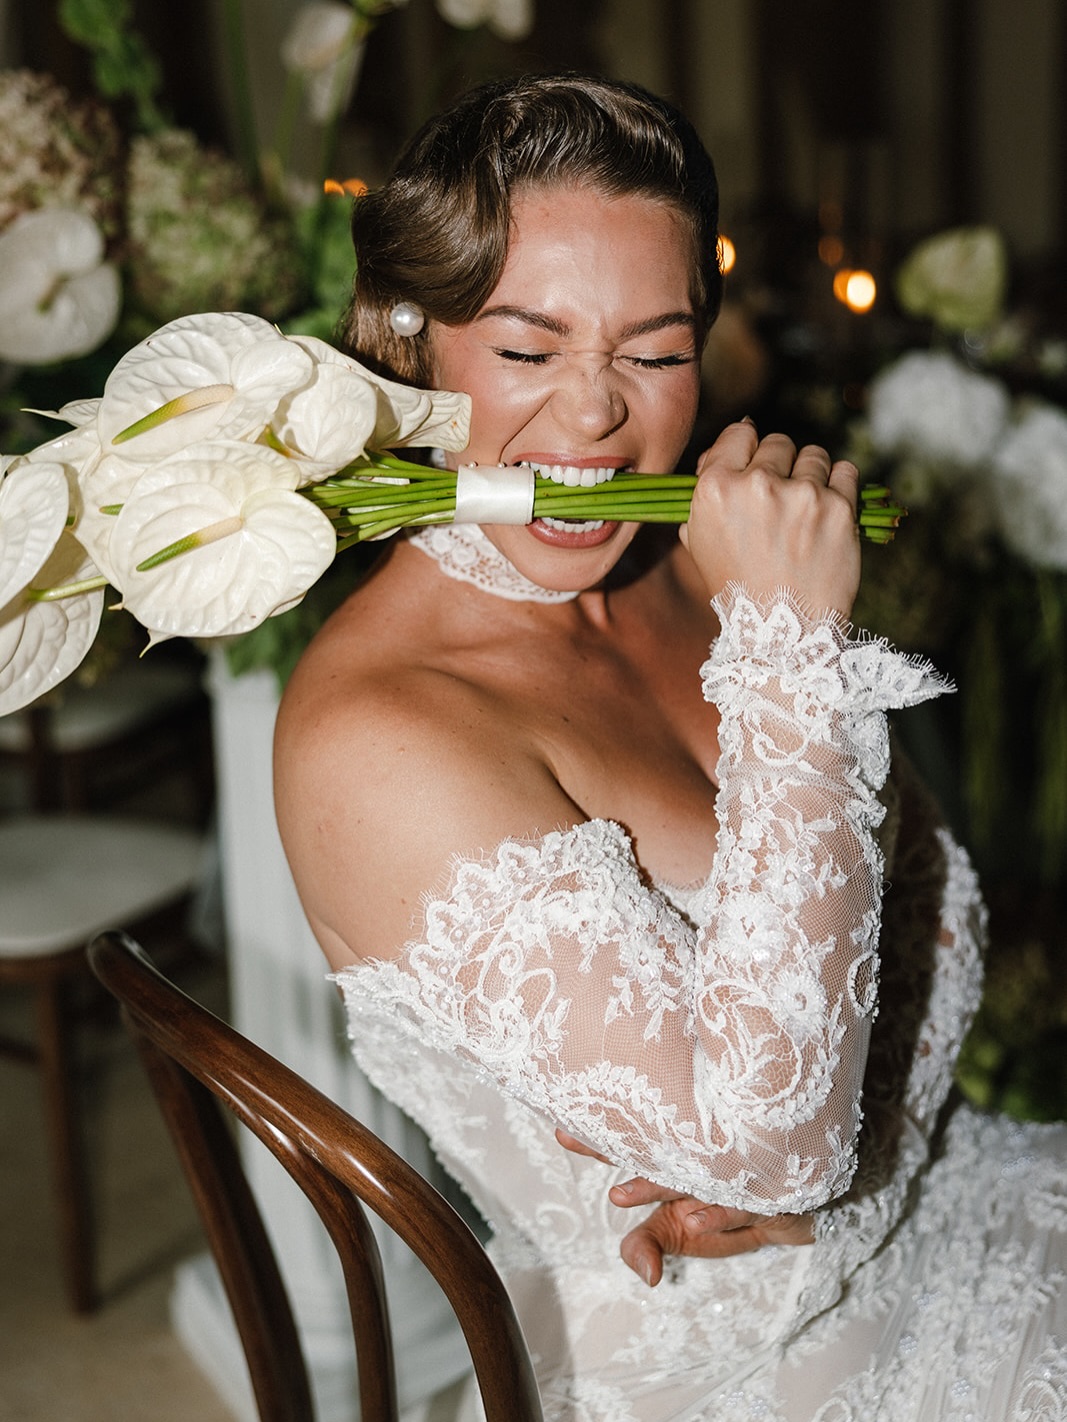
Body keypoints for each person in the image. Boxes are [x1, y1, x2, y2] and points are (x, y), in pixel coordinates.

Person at [274, 74, 1067, 1420]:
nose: (596, 419)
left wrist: (854, 1153)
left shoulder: (686, 561)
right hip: (719, 1367)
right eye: (528, 349)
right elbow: (776, 1142)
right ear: (409, 342)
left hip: (925, 1202)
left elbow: (936, 927)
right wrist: (790, 657)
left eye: (652, 349)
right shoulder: (378, 732)